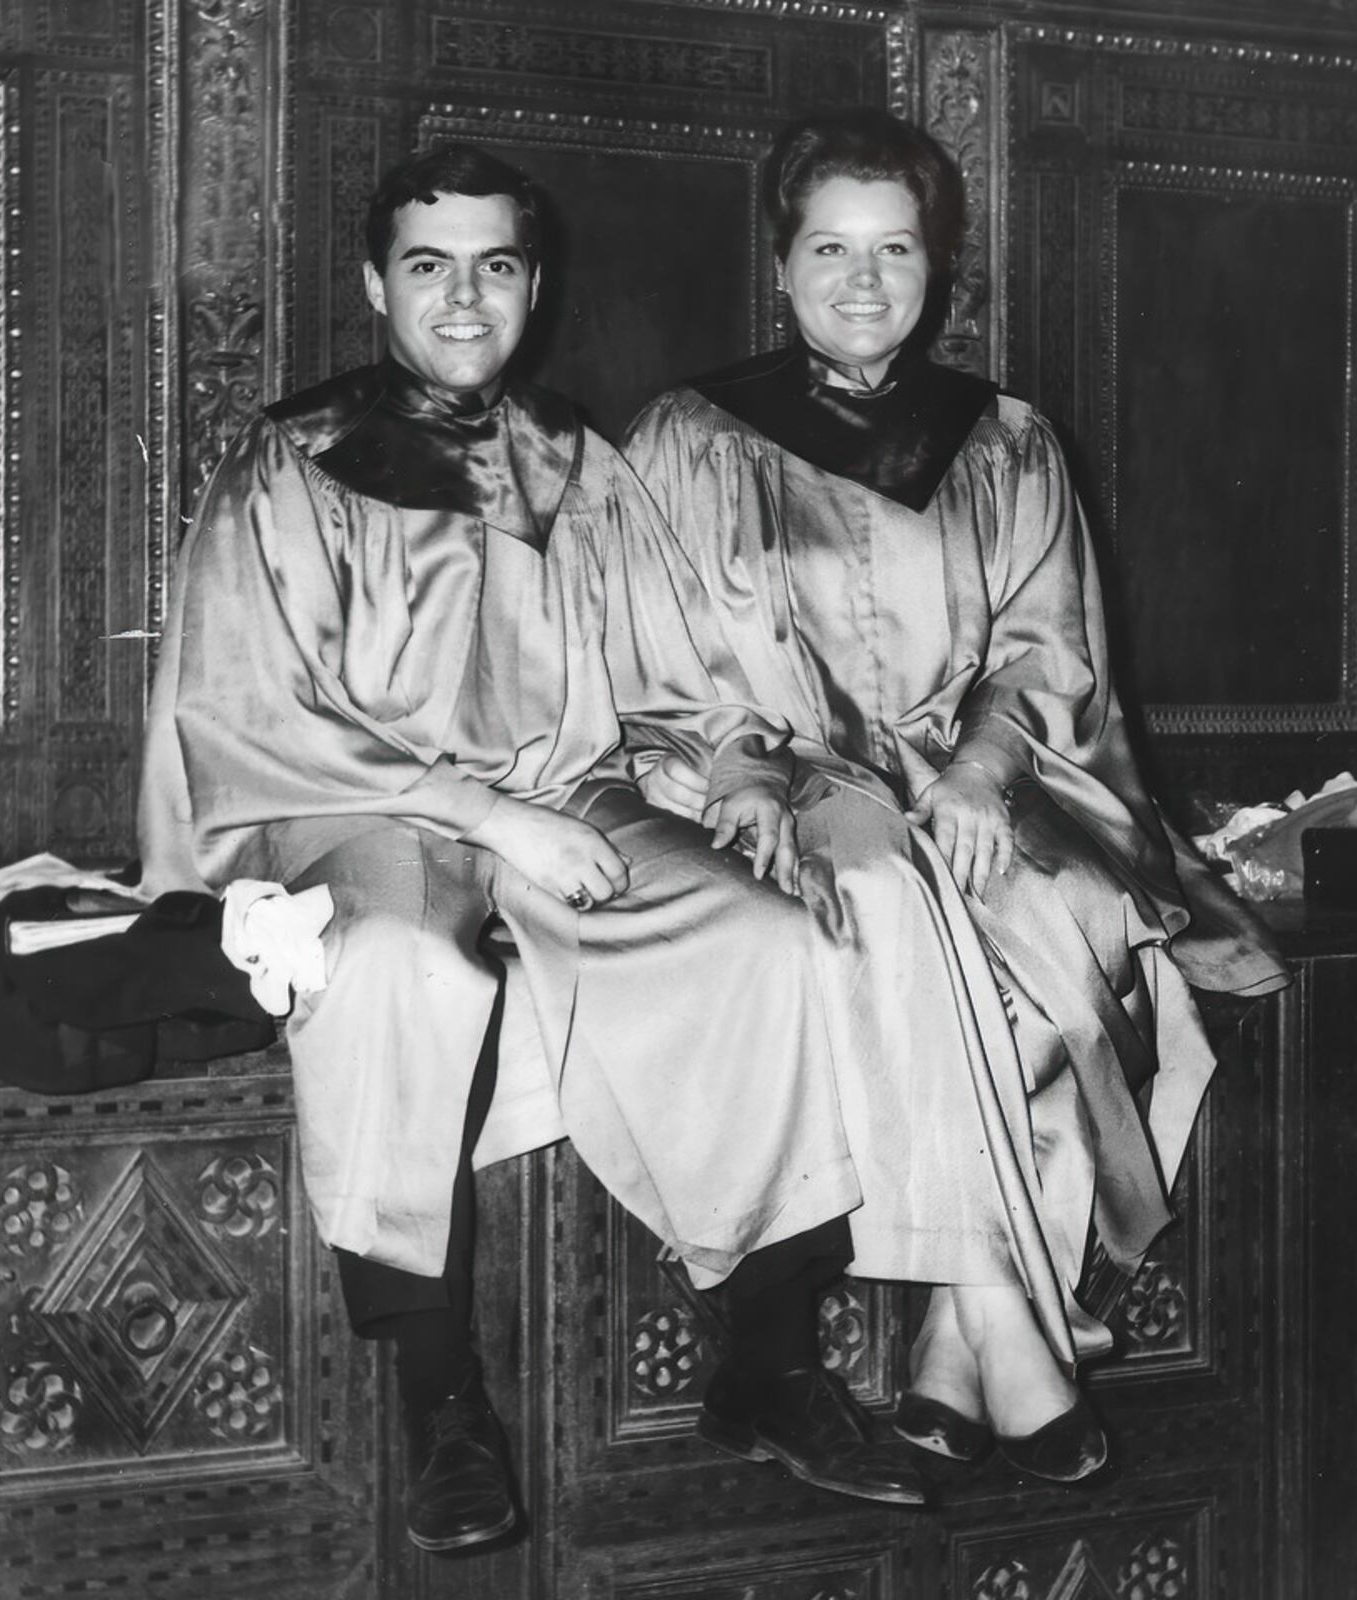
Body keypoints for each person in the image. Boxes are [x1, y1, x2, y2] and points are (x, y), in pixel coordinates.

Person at [137, 140, 926, 1554]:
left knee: (767, 939)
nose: (462, 298)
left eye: (495, 267)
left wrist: (736, 771)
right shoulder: (294, 458)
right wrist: (485, 815)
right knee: (393, 969)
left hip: (571, 800)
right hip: (371, 809)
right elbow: (247, 707)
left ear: (533, 287)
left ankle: (767, 1357)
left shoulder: (579, 462)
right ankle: (444, 1401)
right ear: (377, 282)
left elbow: (675, 681)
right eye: (428, 267)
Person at [622, 108, 1289, 1481]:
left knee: (1074, 922)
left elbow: (1051, 647)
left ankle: (947, 1353)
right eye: (831, 248)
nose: (863, 282)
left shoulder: (1004, 440)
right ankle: (1006, 1327)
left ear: (939, 267)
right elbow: (663, 668)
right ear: (782, 262)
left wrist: (986, 770)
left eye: (896, 251)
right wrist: (759, 762)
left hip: (980, 768)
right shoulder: (687, 441)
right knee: (913, 930)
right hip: (796, 777)